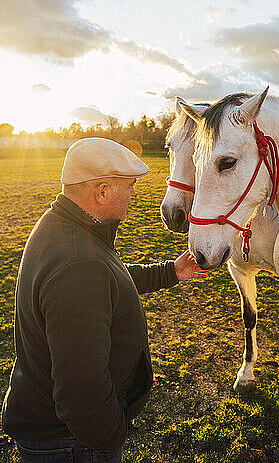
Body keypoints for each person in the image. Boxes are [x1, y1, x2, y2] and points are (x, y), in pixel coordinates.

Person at [1, 137, 205, 462]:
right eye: (129, 185)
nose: (134, 193)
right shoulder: (80, 264)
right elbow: (82, 390)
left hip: (59, 432)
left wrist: (171, 272)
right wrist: (111, 437)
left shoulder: (67, 227)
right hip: (72, 443)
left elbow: (112, 279)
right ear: (102, 192)